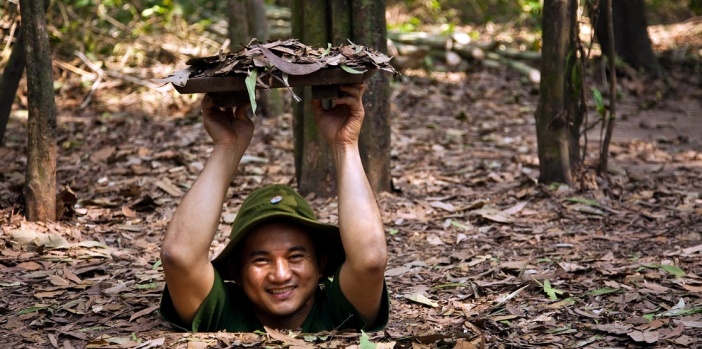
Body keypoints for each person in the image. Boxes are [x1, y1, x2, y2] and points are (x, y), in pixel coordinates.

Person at [159, 83, 389, 333]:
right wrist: (227, 146)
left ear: (321, 264)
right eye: (261, 260)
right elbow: (179, 256)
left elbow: (370, 260)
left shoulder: (336, 312)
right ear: (236, 272)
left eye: (296, 257)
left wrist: (345, 145)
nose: (280, 275)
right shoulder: (225, 312)